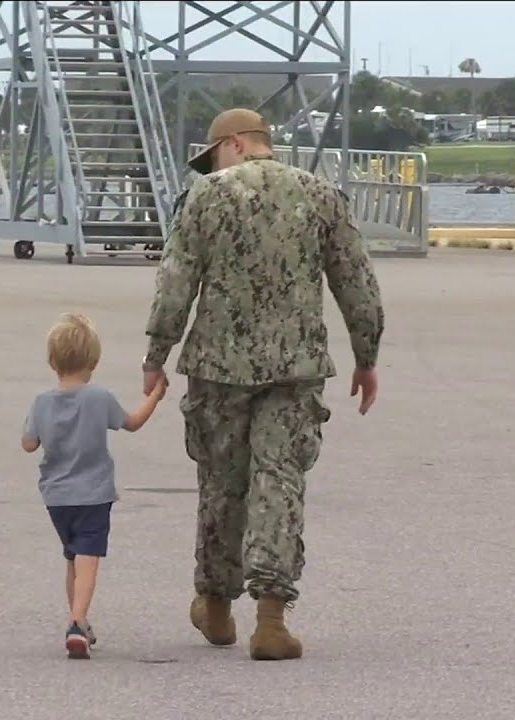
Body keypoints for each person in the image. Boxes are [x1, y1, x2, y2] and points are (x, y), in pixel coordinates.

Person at [140, 108, 385, 661]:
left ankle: (216, 606)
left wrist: (156, 354)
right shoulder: (320, 195)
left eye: (213, 157)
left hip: (218, 368)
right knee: (280, 482)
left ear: (232, 145)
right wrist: (366, 358)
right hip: (295, 369)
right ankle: (271, 620)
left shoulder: (205, 199)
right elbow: (357, 282)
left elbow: (175, 282)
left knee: (221, 484)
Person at [22, 312, 168, 659]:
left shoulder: (41, 402)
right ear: (94, 361)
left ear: (51, 360)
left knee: (73, 558)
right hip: (94, 495)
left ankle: (79, 621)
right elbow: (131, 423)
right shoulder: (100, 398)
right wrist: (156, 397)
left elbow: (28, 444)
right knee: (89, 560)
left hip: (56, 498)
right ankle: (77, 621)